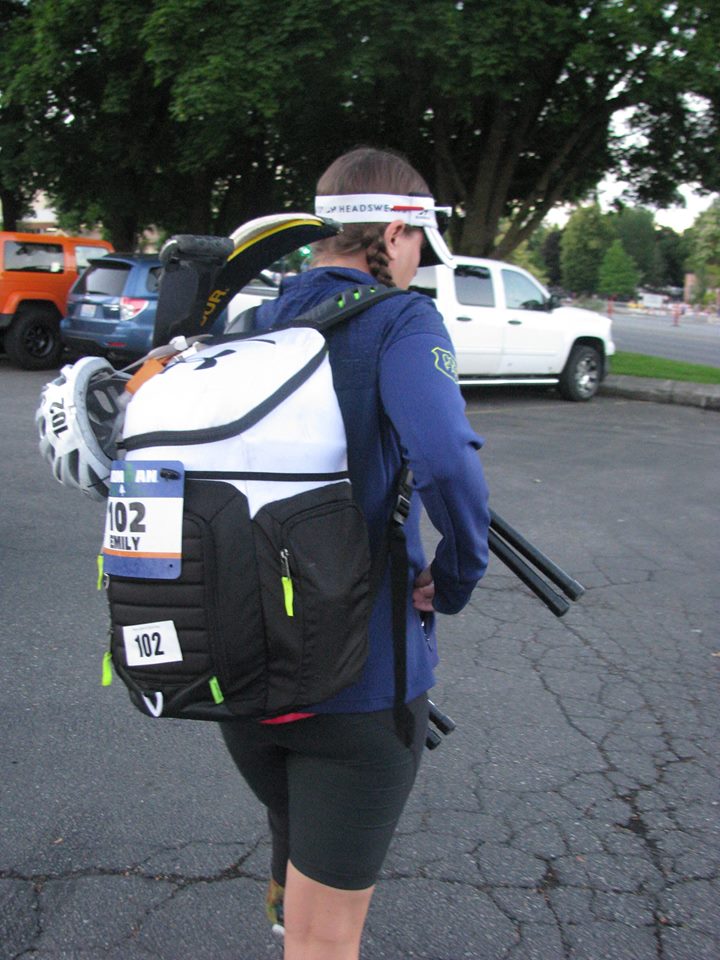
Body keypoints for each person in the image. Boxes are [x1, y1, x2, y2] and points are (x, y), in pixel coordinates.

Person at [219, 146, 490, 960]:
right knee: (327, 942)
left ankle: (284, 906)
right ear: (401, 234)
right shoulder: (402, 319)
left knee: (299, 855)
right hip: (363, 685)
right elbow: (446, 462)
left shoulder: (246, 323)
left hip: (244, 677)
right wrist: (453, 579)